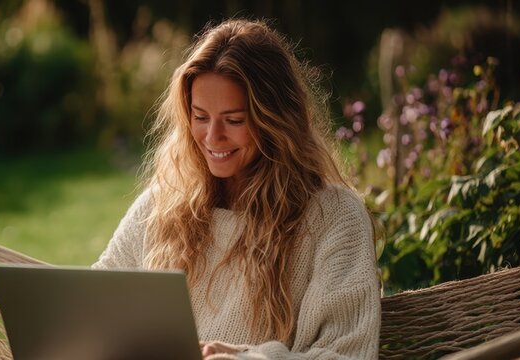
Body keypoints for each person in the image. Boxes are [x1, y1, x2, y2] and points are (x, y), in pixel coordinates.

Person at [93, 19, 380, 359]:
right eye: (200, 117)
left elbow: (348, 354)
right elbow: (95, 302)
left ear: (276, 121)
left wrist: (247, 357)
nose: (213, 138)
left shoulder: (334, 216)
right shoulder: (165, 204)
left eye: (234, 120)